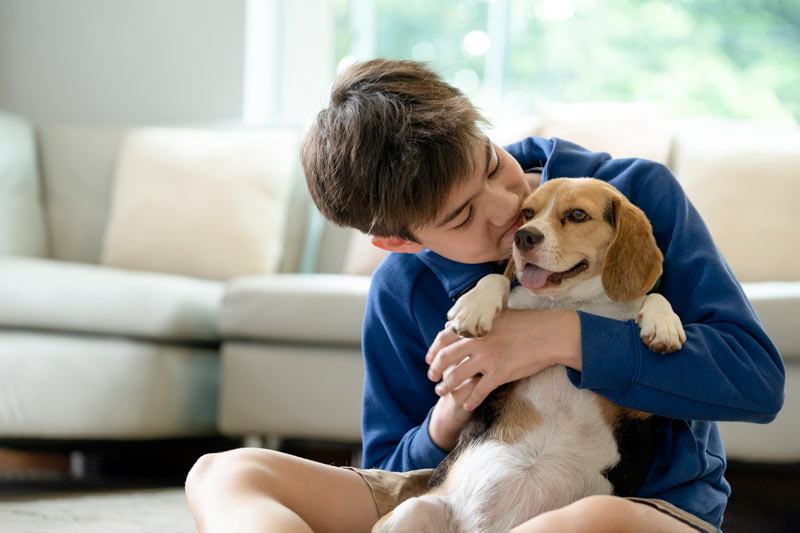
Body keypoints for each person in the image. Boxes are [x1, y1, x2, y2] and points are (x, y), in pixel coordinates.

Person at [185, 59, 785, 533]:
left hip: (634, 502)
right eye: (464, 214)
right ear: (400, 241)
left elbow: (757, 382)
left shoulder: (635, 194)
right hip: (456, 492)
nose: (507, 213)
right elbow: (393, 469)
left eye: (492, 165)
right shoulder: (402, 288)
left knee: (586, 525)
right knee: (221, 472)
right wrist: (450, 411)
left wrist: (558, 337)